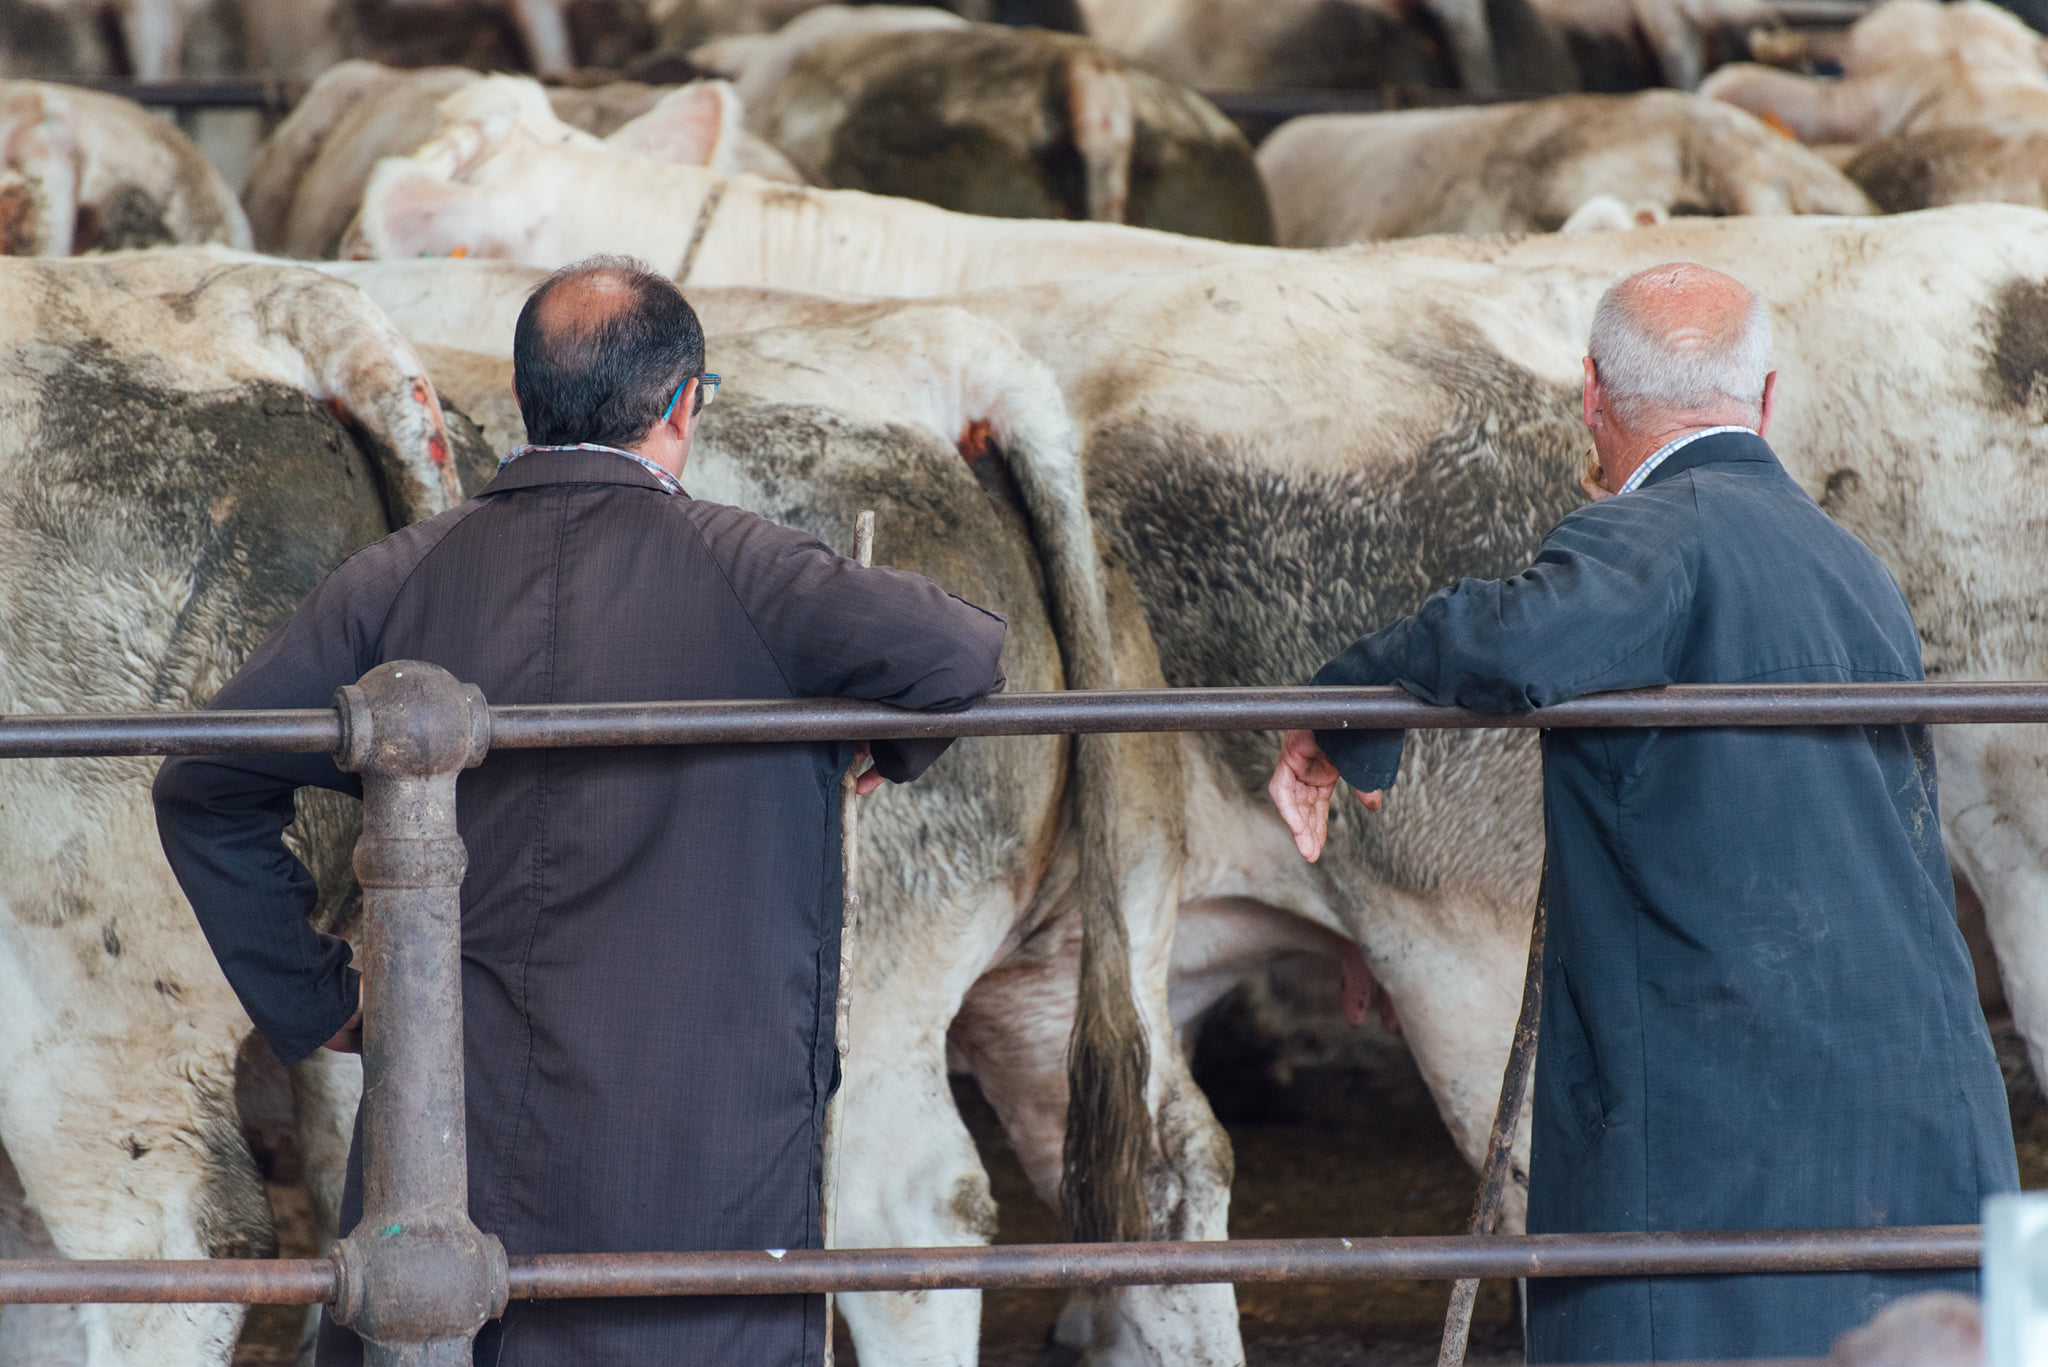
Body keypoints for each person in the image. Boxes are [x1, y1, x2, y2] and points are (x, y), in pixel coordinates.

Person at [152, 255, 1008, 1366]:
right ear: (682, 402)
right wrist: (881, 743)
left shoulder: (399, 578)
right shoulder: (753, 573)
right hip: (696, 1162)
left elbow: (202, 783)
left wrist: (318, 1003)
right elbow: (961, 651)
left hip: (454, 1145)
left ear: (521, 400)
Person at [1267, 263, 2017, 1360]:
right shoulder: (1850, 563)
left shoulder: (1650, 534)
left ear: (1589, 397)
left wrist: (1346, 702)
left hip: (1727, 1111)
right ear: (1762, 401)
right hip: (1910, 1084)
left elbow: (1513, 637)